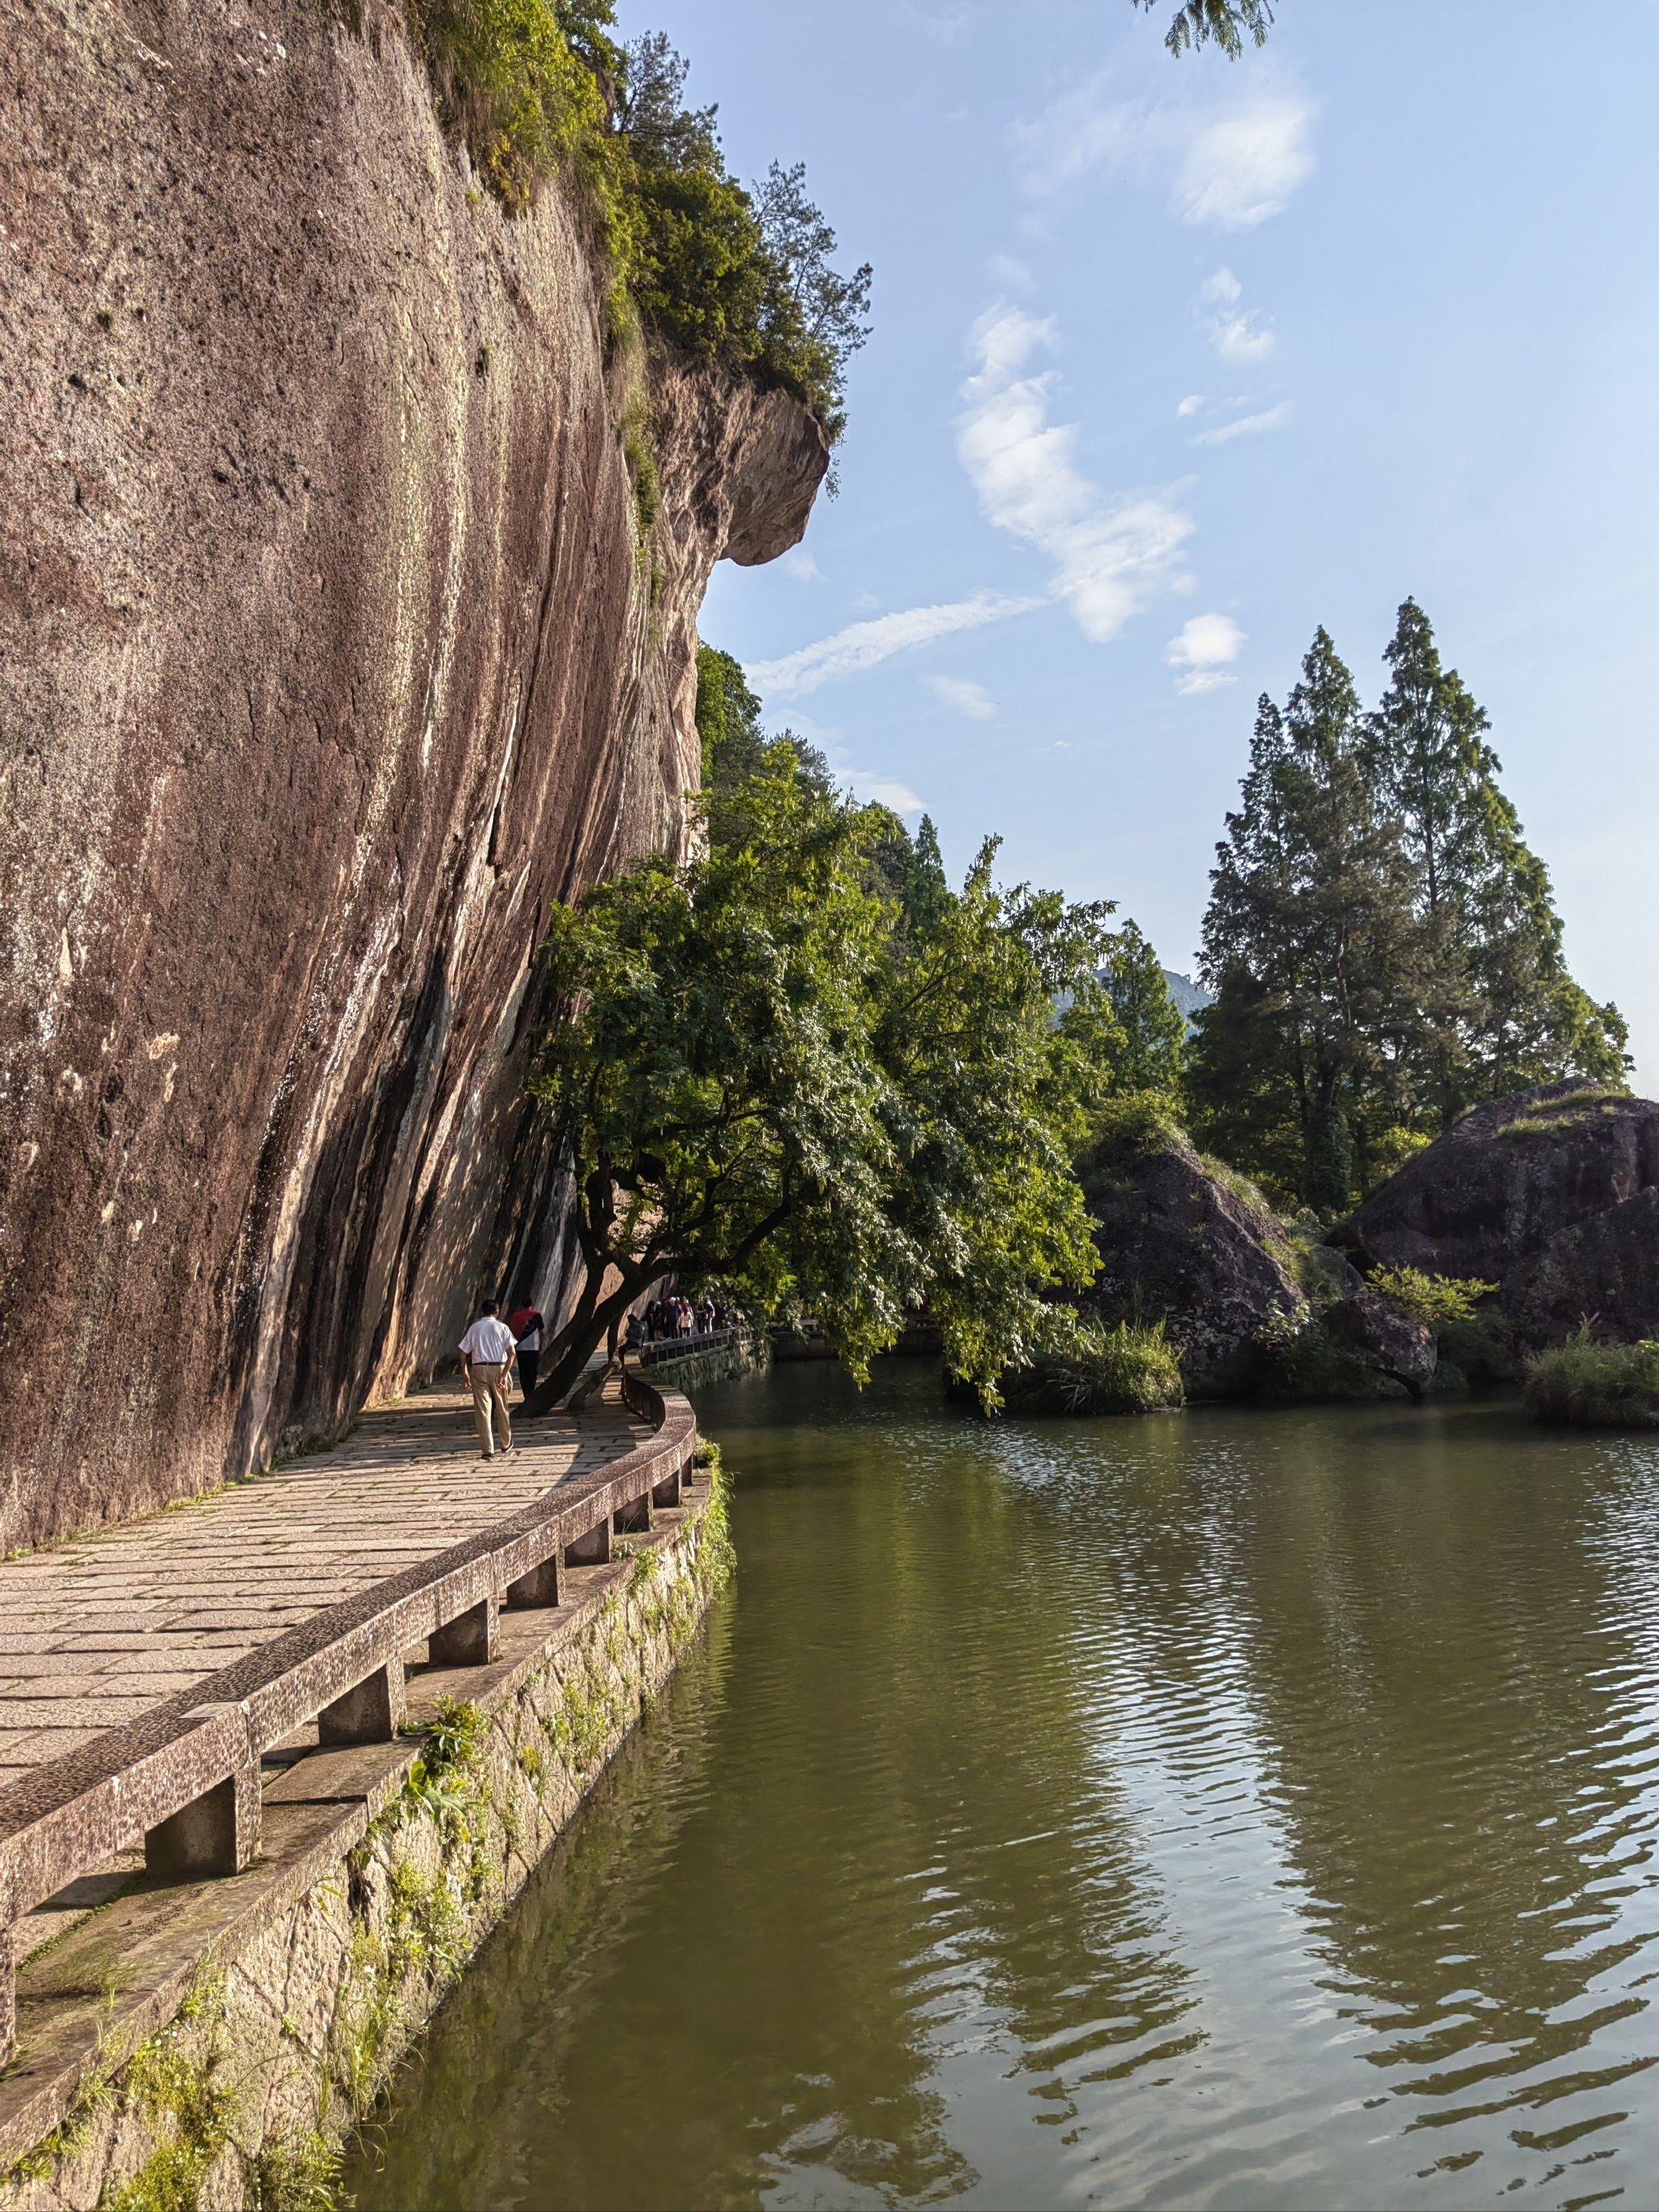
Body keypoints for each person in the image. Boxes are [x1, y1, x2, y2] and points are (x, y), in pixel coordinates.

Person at [458, 1298, 517, 1460]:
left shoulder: (474, 1328)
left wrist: (466, 1375)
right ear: (497, 1312)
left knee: (483, 1410)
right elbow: (512, 1353)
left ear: (482, 1312)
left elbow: (463, 1356)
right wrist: (505, 1374)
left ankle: (487, 1449)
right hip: (499, 1367)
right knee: (502, 1406)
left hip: (479, 1369)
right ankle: (505, 1443)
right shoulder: (503, 1327)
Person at [507, 1301, 544, 1404]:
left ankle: (526, 1393)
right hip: (534, 1348)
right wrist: (541, 1346)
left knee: (523, 1372)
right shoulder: (537, 1316)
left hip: (521, 1348)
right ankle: (531, 1392)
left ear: (522, 1305)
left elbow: (513, 1332)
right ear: (532, 1305)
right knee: (532, 1371)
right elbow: (541, 1333)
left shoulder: (516, 1316)